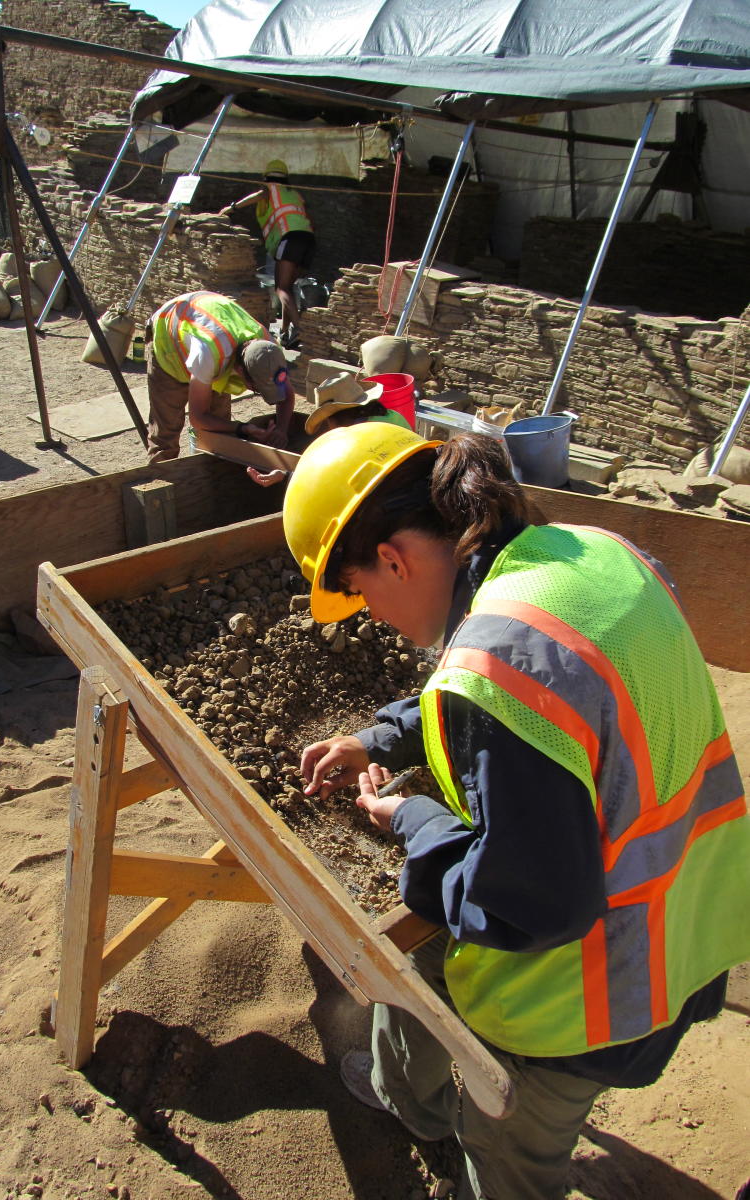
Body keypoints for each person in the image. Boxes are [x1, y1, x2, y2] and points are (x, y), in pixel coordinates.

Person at [282, 422, 750, 1200]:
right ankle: (410, 1098)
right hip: (699, 921)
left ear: (394, 559)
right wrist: (379, 737)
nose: (372, 615)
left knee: (503, 1153)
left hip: (600, 998)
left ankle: (443, 1129)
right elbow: (553, 674)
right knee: (424, 961)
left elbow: (522, 904)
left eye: (362, 594)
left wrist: (416, 825)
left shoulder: (495, 662)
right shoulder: (589, 553)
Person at [147, 289, 295, 463]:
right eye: (256, 388)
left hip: (210, 331)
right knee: (166, 433)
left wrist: (281, 430)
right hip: (169, 340)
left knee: (220, 435)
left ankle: (212, 480)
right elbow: (198, 418)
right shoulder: (209, 353)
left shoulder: (268, 350)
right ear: (240, 373)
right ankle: (159, 482)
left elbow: (287, 394)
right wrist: (243, 428)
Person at [246, 371, 409, 487]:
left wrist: (284, 476)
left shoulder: (356, 441)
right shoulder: (394, 417)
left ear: (334, 419)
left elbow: (328, 479)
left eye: (327, 421)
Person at [219, 159, 315, 349]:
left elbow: (257, 195)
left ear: (266, 177)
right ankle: (286, 334)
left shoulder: (270, 190)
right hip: (308, 241)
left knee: (281, 289)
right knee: (288, 287)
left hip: (290, 239)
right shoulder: (295, 194)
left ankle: (302, 330)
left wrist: (231, 208)